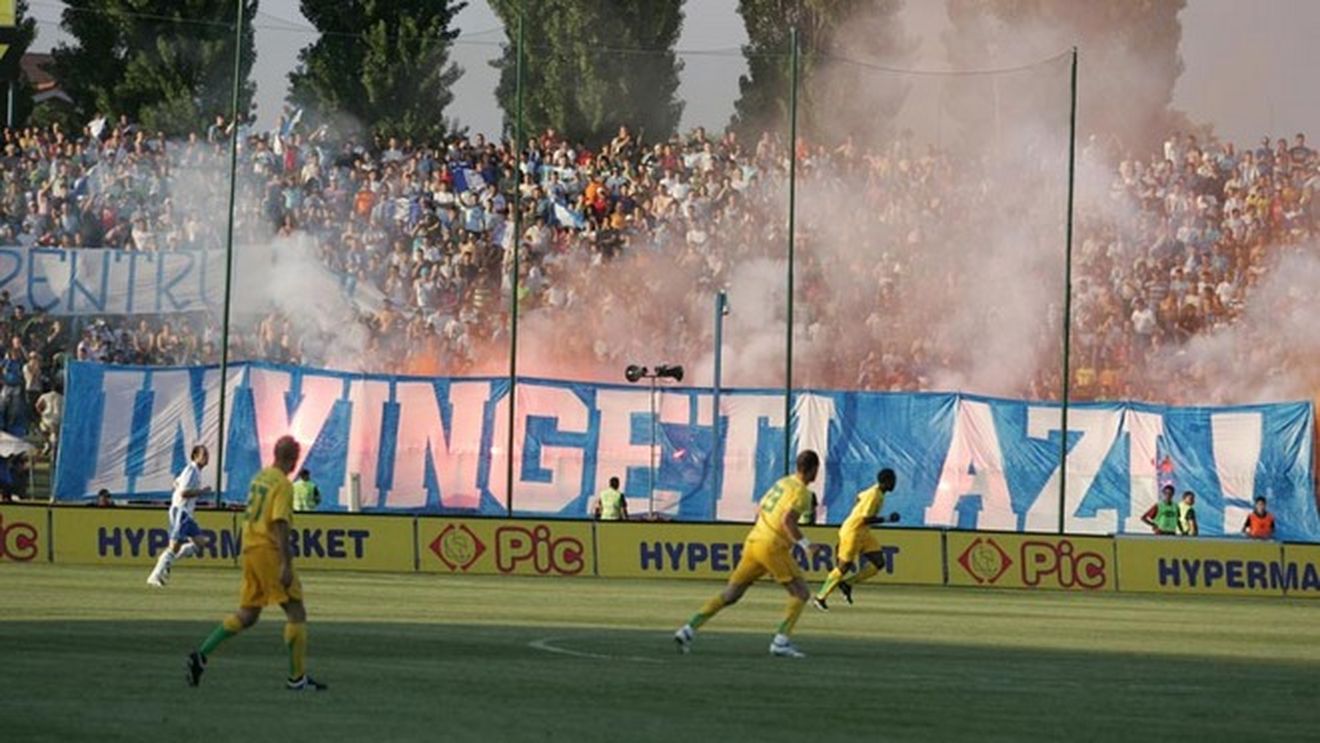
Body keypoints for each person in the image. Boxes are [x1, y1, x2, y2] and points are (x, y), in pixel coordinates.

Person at [186, 435, 326, 691]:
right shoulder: (283, 484)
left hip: (249, 548)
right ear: (294, 460)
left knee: (248, 614)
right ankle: (297, 679)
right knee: (295, 610)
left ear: (274, 454)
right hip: (269, 551)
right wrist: (285, 562)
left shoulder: (259, 478)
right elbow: (280, 522)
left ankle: (202, 654)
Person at [673, 450, 825, 659]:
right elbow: (787, 521)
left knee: (731, 594)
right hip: (772, 546)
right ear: (813, 469)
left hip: (754, 541)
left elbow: (760, 509)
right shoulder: (803, 493)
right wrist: (807, 545)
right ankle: (781, 641)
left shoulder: (782, 483)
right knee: (801, 593)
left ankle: (688, 629)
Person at [814, 468, 899, 610]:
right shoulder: (874, 495)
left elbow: (859, 497)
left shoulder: (876, 491)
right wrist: (888, 518)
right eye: (892, 481)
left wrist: (856, 511)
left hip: (863, 533)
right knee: (844, 567)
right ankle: (820, 597)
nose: (894, 483)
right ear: (886, 482)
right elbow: (866, 519)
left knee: (879, 563)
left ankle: (847, 584)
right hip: (852, 532)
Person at [146, 445, 213, 587]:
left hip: (187, 514)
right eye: (204, 455)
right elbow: (183, 493)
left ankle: (167, 561)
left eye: (207, 454)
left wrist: (179, 488)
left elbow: (176, 482)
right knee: (174, 546)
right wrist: (201, 492)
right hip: (180, 512)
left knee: (200, 543)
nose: (207, 457)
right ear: (195, 456)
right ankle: (154, 576)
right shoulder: (191, 470)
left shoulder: (194, 471)